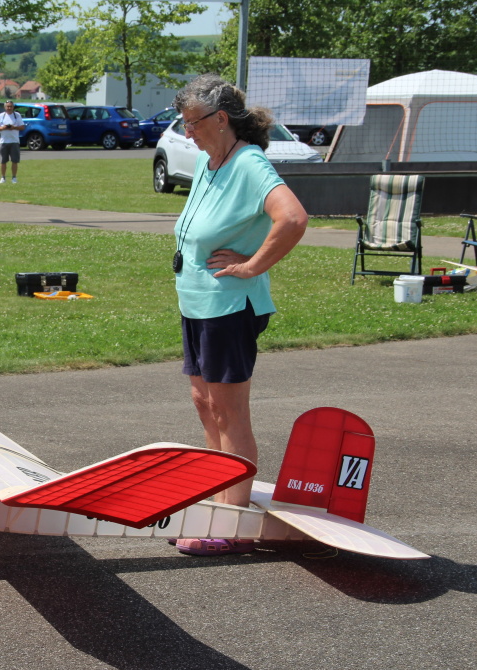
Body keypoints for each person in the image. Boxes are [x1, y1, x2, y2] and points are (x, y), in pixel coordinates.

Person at [167, 74, 308, 556]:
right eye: (184, 123)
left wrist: (252, 266)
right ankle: (217, 501)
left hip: (229, 307)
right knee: (204, 404)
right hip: (198, 303)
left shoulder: (249, 162)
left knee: (229, 412)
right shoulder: (209, 161)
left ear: (221, 118)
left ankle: (233, 525)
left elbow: (293, 218)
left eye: (193, 123)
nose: (187, 132)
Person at [0, 100, 25, 184]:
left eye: (11, 106)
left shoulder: (17, 115)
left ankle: (14, 178)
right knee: (3, 161)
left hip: (14, 141)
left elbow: (22, 127)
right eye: (7, 106)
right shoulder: (2, 115)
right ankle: (3, 178)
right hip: (3, 141)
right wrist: (3, 128)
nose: (9, 108)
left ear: (13, 107)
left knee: (14, 161)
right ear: (5, 107)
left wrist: (14, 127)